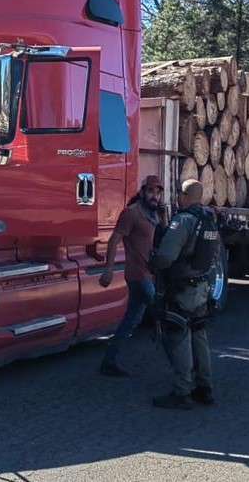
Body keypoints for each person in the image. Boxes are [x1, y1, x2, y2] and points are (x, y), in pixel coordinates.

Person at [149, 179, 220, 409]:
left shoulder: (184, 221)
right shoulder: (209, 219)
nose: (178, 198)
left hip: (182, 289)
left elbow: (166, 257)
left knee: (179, 336)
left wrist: (154, 262)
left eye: (180, 194)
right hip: (202, 287)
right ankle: (205, 388)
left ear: (186, 195)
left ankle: (182, 392)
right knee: (199, 336)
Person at [98, 175, 165, 377]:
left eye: (158, 192)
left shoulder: (155, 215)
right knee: (164, 314)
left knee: (131, 320)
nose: (155, 196)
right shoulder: (131, 213)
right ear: (142, 192)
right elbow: (113, 241)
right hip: (138, 275)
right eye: (151, 191)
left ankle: (109, 361)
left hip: (149, 274)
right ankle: (181, 367)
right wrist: (108, 270)